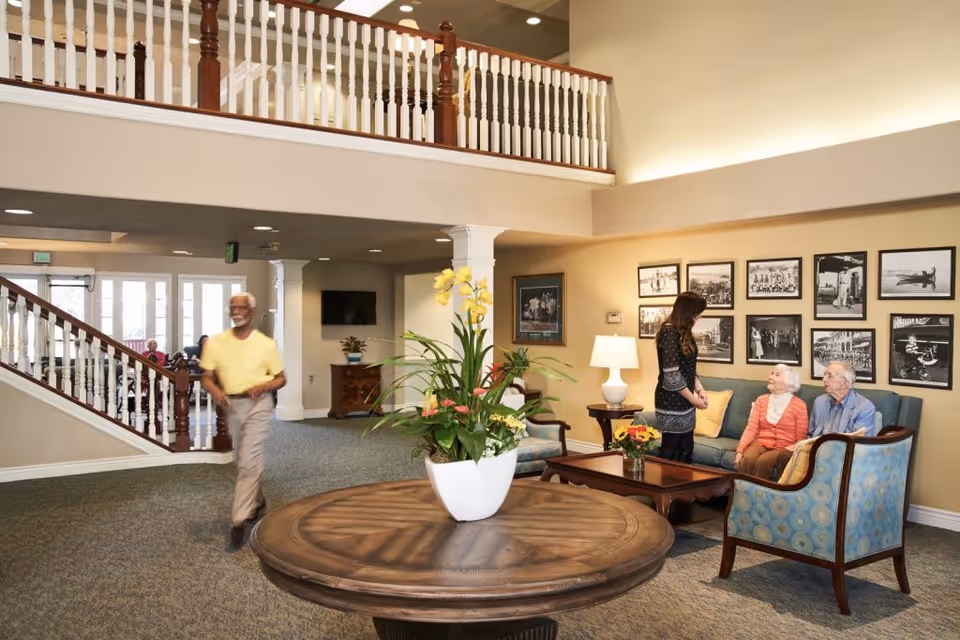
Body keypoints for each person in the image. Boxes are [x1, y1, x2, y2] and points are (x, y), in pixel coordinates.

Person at [200, 293, 286, 551]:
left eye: (242, 307)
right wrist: (215, 390)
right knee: (243, 459)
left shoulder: (266, 344)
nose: (236, 312)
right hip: (233, 406)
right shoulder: (216, 343)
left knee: (249, 460)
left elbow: (281, 378)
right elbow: (206, 377)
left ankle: (238, 520)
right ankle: (257, 501)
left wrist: (264, 385)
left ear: (251, 312)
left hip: (259, 404)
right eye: (233, 308)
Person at [654, 291, 708, 463]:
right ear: (688, 312)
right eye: (698, 313)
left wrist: (700, 389)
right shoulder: (669, 332)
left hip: (685, 400)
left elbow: (688, 368)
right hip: (671, 401)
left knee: (686, 450)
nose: (699, 316)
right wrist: (693, 399)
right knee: (671, 452)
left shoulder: (685, 332)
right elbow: (672, 374)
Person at [735, 365, 808, 480]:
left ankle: (759, 491)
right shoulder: (761, 400)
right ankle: (741, 489)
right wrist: (740, 451)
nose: (770, 377)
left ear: (788, 382)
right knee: (748, 458)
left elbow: (801, 438)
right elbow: (751, 428)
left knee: (764, 462)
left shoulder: (799, 405)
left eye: (777, 375)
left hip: (783, 447)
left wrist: (793, 449)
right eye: (772, 373)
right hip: (760, 443)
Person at [808, 361, 877, 438]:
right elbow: (810, 435)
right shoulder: (820, 402)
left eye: (829, 376)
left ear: (844, 383)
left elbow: (859, 442)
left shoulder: (864, 408)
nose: (824, 379)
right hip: (817, 445)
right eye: (825, 375)